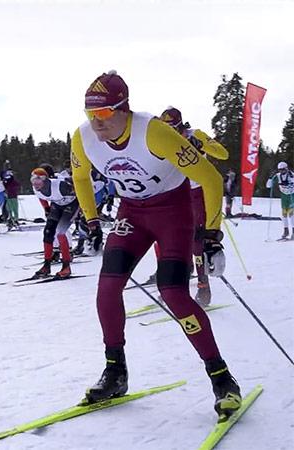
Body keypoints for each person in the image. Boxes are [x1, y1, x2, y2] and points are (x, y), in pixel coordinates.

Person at [71, 71, 239, 420]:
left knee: (173, 292)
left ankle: (222, 378)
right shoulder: (83, 137)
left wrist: (211, 234)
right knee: (107, 289)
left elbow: (210, 177)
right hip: (132, 212)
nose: (96, 122)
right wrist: (91, 220)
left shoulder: (154, 132)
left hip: (172, 211)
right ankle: (115, 372)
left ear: (124, 109)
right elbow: (80, 176)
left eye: (104, 113)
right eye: (90, 113)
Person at [161, 106, 229, 305]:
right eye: (167, 129)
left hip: (198, 192)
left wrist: (201, 146)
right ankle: (176, 284)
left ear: (181, 126)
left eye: (174, 129)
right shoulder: (162, 138)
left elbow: (223, 154)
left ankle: (203, 287)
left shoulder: (194, 134)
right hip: (175, 193)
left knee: (198, 240)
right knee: (170, 239)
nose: (172, 134)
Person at [31, 167, 79, 278]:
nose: (35, 183)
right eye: (33, 180)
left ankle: (66, 266)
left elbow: (79, 192)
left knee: (60, 233)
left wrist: (83, 211)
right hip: (57, 204)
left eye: (38, 180)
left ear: (45, 180)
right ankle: (46, 266)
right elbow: (41, 197)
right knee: (48, 232)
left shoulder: (60, 186)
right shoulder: (36, 188)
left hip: (72, 204)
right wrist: (46, 208)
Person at [266, 161, 294, 239]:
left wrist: (291, 181)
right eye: (280, 170)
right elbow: (268, 186)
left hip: (291, 195)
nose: (282, 171)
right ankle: (286, 230)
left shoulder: (291, 175)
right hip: (284, 196)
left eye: (283, 169)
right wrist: (270, 178)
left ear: (286, 168)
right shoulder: (277, 176)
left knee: (291, 214)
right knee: (284, 214)